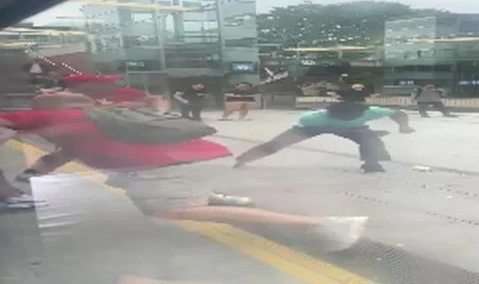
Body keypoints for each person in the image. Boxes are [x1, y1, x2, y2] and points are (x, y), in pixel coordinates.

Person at [0, 95, 368, 251]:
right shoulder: (92, 120)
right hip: (206, 157)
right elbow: (62, 155)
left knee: (164, 209)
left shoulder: (44, 116)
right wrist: (29, 176)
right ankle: (221, 198)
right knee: (128, 183)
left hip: (178, 168)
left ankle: (324, 224)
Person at [15, 74, 170, 182]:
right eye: (106, 83)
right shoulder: (60, 97)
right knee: (70, 150)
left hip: (120, 129)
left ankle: (137, 174)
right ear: (84, 86)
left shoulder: (125, 92)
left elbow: (155, 100)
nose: (112, 84)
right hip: (86, 133)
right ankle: (33, 172)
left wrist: (158, 111)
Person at [233, 91, 415, 173]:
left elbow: (399, 113)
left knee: (370, 140)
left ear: (362, 112)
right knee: (277, 144)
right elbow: (281, 141)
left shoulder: (371, 110)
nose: (344, 117)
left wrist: (403, 127)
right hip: (318, 127)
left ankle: (372, 163)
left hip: (352, 128)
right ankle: (244, 158)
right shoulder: (313, 118)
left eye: (349, 115)